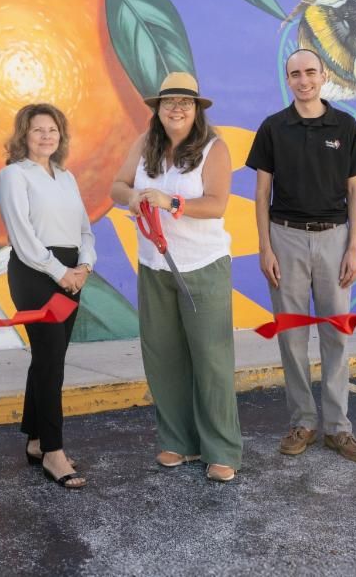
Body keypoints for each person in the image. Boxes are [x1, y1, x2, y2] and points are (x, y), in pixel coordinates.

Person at [109, 72, 243, 483]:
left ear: (197, 109)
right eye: (169, 102)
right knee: (164, 356)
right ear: (158, 109)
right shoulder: (144, 144)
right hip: (154, 266)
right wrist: (131, 197)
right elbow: (117, 185)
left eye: (186, 102)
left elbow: (217, 204)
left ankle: (221, 449)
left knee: (211, 358)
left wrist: (172, 202)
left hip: (202, 265)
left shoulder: (213, 149)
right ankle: (178, 442)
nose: (177, 108)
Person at [245, 48, 356, 463]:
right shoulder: (273, 128)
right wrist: (265, 247)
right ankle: (303, 421)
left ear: (323, 76)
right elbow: (262, 192)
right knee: (293, 336)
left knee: (337, 334)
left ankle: (339, 428)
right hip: (286, 239)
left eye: (310, 73)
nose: (304, 80)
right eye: (295, 74)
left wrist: (354, 246)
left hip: (335, 239)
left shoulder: (345, 125)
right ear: (288, 80)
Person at [0, 103, 95, 490]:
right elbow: (23, 239)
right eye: (37, 130)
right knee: (52, 363)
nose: (45, 136)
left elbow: (85, 230)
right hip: (36, 274)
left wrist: (84, 268)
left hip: (72, 272)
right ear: (24, 135)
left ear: (61, 135)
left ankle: (36, 440)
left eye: (52, 130)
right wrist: (61, 273)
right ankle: (54, 452)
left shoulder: (66, 178)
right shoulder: (13, 176)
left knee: (48, 358)